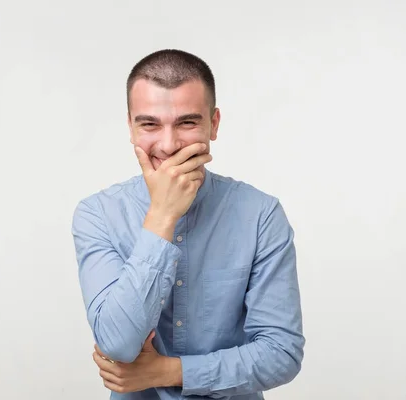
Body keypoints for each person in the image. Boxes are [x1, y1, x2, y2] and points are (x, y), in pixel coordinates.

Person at [71, 49, 305, 399]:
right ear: (131, 127)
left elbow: (281, 353)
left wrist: (169, 371)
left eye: (187, 123)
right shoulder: (97, 214)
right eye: (149, 124)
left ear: (214, 124)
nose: (168, 145)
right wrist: (162, 217)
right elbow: (117, 344)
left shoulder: (261, 215)